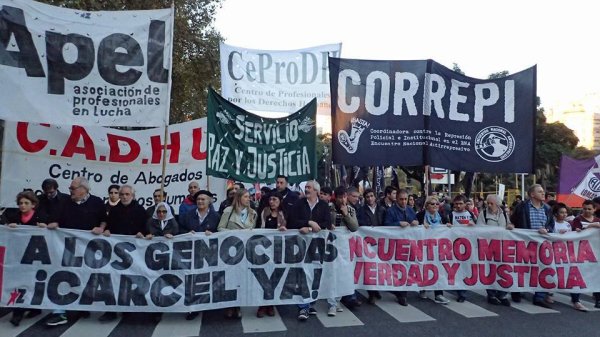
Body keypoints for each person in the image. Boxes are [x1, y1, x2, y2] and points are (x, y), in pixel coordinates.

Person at [46, 177, 107, 326]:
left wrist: (101, 228)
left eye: (73, 188)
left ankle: (81, 307)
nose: (70, 191)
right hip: (67, 248)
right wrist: (55, 224)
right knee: (63, 276)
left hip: (89, 249)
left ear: (83, 189)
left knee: (85, 277)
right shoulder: (65, 202)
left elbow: (104, 220)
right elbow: (56, 219)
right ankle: (59, 312)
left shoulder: (97, 202)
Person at [99, 185, 148, 323]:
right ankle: (111, 311)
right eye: (122, 194)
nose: (124, 197)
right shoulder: (114, 211)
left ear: (132, 195)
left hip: (133, 253)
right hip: (116, 252)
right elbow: (109, 226)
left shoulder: (140, 210)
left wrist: (142, 233)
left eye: (127, 194)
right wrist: (107, 230)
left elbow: (145, 228)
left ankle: (128, 310)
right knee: (113, 280)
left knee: (129, 280)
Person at [286, 180, 331, 321]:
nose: (306, 189)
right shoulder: (299, 204)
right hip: (300, 245)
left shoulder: (323, 205)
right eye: (305, 187)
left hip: (317, 247)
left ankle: (310, 302)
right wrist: (308, 222)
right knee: (302, 273)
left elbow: (326, 223)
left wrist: (310, 228)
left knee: (314, 273)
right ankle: (303, 307)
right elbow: (291, 221)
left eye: (309, 187)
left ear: (316, 191)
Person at [2, 191, 47, 326]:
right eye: (20, 203)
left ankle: (29, 309)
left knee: (31, 282)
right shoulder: (13, 216)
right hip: (17, 256)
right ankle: (20, 311)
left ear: (33, 205)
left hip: (35, 257)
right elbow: (3, 224)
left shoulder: (40, 217)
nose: (22, 205)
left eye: (26, 203)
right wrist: (8, 226)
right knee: (19, 283)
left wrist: (44, 228)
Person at [508, 184, 554, 307]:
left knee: (543, 268)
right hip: (525, 243)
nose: (543, 193)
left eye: (543, 191)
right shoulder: (522, 207)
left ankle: (539, 297)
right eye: (540, 191)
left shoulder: (547, 208)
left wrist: (547, 229)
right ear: (532, 194)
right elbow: (513, 220)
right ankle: (516, 292)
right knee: (521, 268)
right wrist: (511, 225)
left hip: (541, 244)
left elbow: (551, 225)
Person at [218, 189, 257, 319]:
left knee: (242, 279)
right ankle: (230, 306)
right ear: (239, 198)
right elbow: (220, 228)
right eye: (246, 196)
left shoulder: (253, 213)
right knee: (230, 279)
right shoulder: (228, 211)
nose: (248, 199)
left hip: (245, 251)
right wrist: (234, 234)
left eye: (249, 197)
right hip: (231, 250)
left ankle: (238, 305)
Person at [548, 203, 587, 311]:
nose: (564, 214)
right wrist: (557, 234)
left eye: (565, 212)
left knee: (572, 274)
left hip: (567, 253)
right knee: (553, 273)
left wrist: (577, 232)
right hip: (554, 252)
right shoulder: (552, 224)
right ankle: (549, 293)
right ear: (556, 213)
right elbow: (548, 236)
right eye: (561, 212)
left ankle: (576, 299)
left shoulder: (568, 225)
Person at [384, 189, 418, 306]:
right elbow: (385, 226)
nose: (404, 202)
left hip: (409, 245)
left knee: (406, 268)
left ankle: (402, 292)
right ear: (396, 199)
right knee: (398, 268)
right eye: (401, 199)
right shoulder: (390, 211)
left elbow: (416, 222)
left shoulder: (410, 210)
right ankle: (401, 294)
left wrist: (416, 222)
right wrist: (398, 224)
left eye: (405, 199)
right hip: (396, 245)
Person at [255, 192, 287, 318]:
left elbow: (288, 226)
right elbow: (260, 228)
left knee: (274, 277)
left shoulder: (283, 214)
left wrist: (285, 228)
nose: (272, 201)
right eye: (270, 199)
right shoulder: (264, 212)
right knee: (263, 277)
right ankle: (262, 305)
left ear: (280, 201)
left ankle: (271, 304)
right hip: (264, 249)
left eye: (274, 199)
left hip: (278, 249)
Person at [330, 186, 360, 313]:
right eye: (340, 197)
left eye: (344, 197)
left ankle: (337, 300)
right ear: (335, 197)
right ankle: (332, 301)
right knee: (332, 273)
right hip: (331, 244)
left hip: (344, 247)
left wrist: (346, 214)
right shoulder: (329, 208)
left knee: (342, 272)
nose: (343, 200)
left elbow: (354, 227)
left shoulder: (350, 210)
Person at [476, 194, 510, 306]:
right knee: (490, 270)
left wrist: (510, 226)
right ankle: (491, 294)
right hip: (489, 246)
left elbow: (508, 225)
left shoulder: (504, 213)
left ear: (497, 204)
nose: (489, 205)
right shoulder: (483, 213)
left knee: (503, 269)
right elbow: (479, 228)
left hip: (502, 245)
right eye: (488, 203)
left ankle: (502, 294)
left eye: (492, 203)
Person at [418, 196, 451, 304]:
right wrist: (420, 226)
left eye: (437, 204)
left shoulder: (441, 216)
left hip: (438, 248)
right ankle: (423, 288)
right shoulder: (420, 215)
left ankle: (439, 294)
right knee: (425, 268)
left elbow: (447, 226)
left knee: (438, 269)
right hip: (424, 247)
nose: (435, 206)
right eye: (432, 204)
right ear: (427, 206)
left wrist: (448, 225)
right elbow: (413, 228)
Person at [357, 188, 385, 304]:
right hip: (367, 243)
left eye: (371, 196)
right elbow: (360, 224)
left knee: (380, 267)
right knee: (369, 268)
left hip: (381, 243)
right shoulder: (361, 211)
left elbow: (386, 224)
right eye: (367, 197)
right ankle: (372, 293)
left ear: (375, 197)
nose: (370, 198)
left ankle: (377, 289)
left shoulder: (382, 210)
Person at [449, 194, 475, 302]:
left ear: (465, 204)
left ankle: (463, 290)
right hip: (454, 245)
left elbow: (478, 227)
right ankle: (460, 292)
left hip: (467, 246)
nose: (458, 206)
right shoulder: (451, 214)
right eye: (456, 204)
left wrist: (473, 225)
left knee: (465, 269)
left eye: (460, 203)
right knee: (457, 269)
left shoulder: (470, 214)